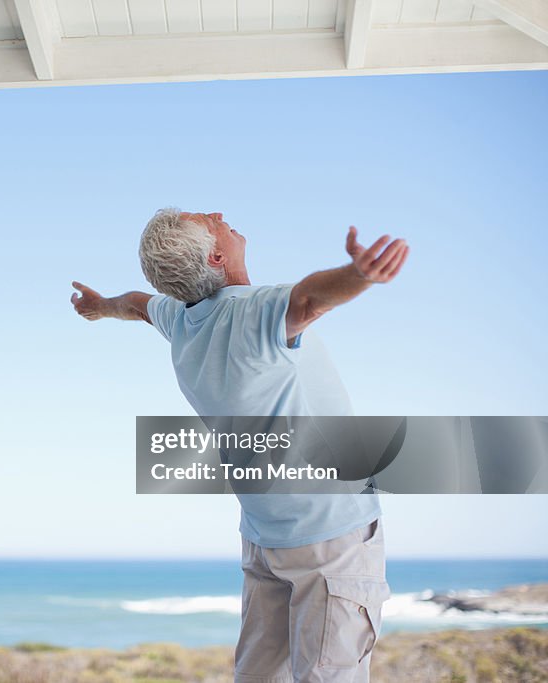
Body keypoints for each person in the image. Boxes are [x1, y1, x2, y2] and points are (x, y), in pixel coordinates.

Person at [70, 208, 409, 682]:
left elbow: (136, 304)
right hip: (330, 538)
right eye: (209, 220)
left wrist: (101, 306)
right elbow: (311, 298)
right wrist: (358, 275)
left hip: (265, 537)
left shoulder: (182, 321)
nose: (219, 214)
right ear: (215, 255)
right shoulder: (253, 313)